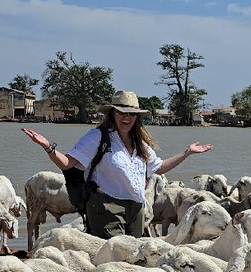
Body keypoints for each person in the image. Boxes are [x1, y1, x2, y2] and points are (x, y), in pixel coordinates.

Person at [23, 91, 212, 238]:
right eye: (121, 112)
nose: (126, 117)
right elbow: (67, 163)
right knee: (115, 258)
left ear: (136, 117)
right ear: (113, 113)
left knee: (133, 260)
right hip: (106, 207)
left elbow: (158, 168)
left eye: (131, 113)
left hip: (136, 210)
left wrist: (187, 152)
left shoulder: (140, 143)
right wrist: (48, 147)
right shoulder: (97, 136)